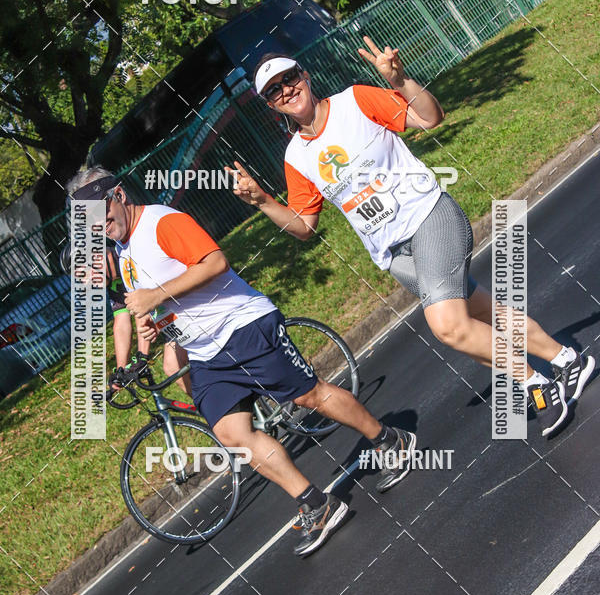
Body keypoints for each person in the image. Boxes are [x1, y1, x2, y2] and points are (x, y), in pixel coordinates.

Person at [226, 38, 595, 437]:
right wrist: (263, 201)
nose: (287, 90)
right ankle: (567, 360)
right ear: (271, 105)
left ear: (305, 76)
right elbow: (303, 226)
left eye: (290, 78)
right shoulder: (296, 157)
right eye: (274, 90)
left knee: (448, 326)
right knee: (479, 316)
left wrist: (400, 81)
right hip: (394, 255)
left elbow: (430, 117)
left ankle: (536, 384)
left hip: (428, 217)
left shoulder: (355, 102)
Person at [66, 166, 418, 557]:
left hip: (244, 327)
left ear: (118, 195)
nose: (99, 225)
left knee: (309, 397)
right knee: (235, 436)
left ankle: (390, 439)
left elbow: (215, 262)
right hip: (206, 356)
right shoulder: (123, 252)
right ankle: (318, 504)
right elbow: (158, 304)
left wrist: (156, 294)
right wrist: (151, 328)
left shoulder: (161, 223)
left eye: (101, 212)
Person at [59, 241, 191, 395]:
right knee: (172, 366)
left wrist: (142, 355)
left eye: (83, 274)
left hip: (189, 304)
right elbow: (121, 323)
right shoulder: (113, 281)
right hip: (171, 317)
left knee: (175, 365)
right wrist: (121, 370)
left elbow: (142, 310)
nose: (84, 282)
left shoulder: (128, 262)